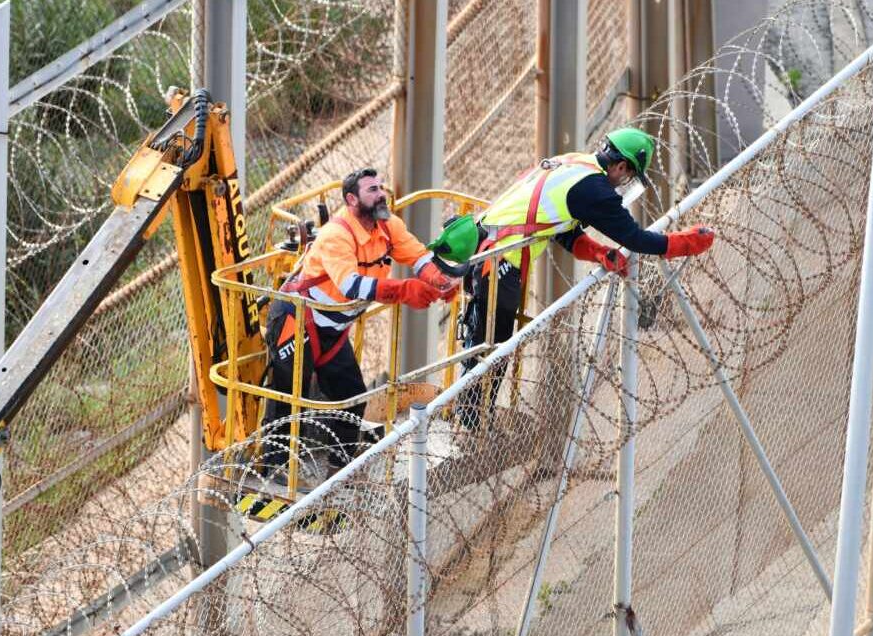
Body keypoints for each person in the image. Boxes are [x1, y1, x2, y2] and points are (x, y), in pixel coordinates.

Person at [429, 127, 716, 426]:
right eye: (628, 176)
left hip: (486, 250)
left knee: (487, 344)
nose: (623, 183)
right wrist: (686, 243)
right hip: (500, 261)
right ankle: (471, 420)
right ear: (621, 166)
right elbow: (636, 239)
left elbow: (561, 229)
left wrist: (597, 252)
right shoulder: (596, 191)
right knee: (492, 348)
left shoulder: (573, 163)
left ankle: (471, 415)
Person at [259, 167, 456, 482]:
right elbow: (351, 286)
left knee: (352, 396)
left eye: (381, 187)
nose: (381, 194)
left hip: (333, 331)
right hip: (297, 320)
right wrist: (405, 291)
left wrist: (439, 280)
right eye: (372, 190)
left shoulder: (388, 226)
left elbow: (417, 256)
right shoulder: (337, 235)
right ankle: (273, 469)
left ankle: (341, 471)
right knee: (288, 394)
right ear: (352, 199)